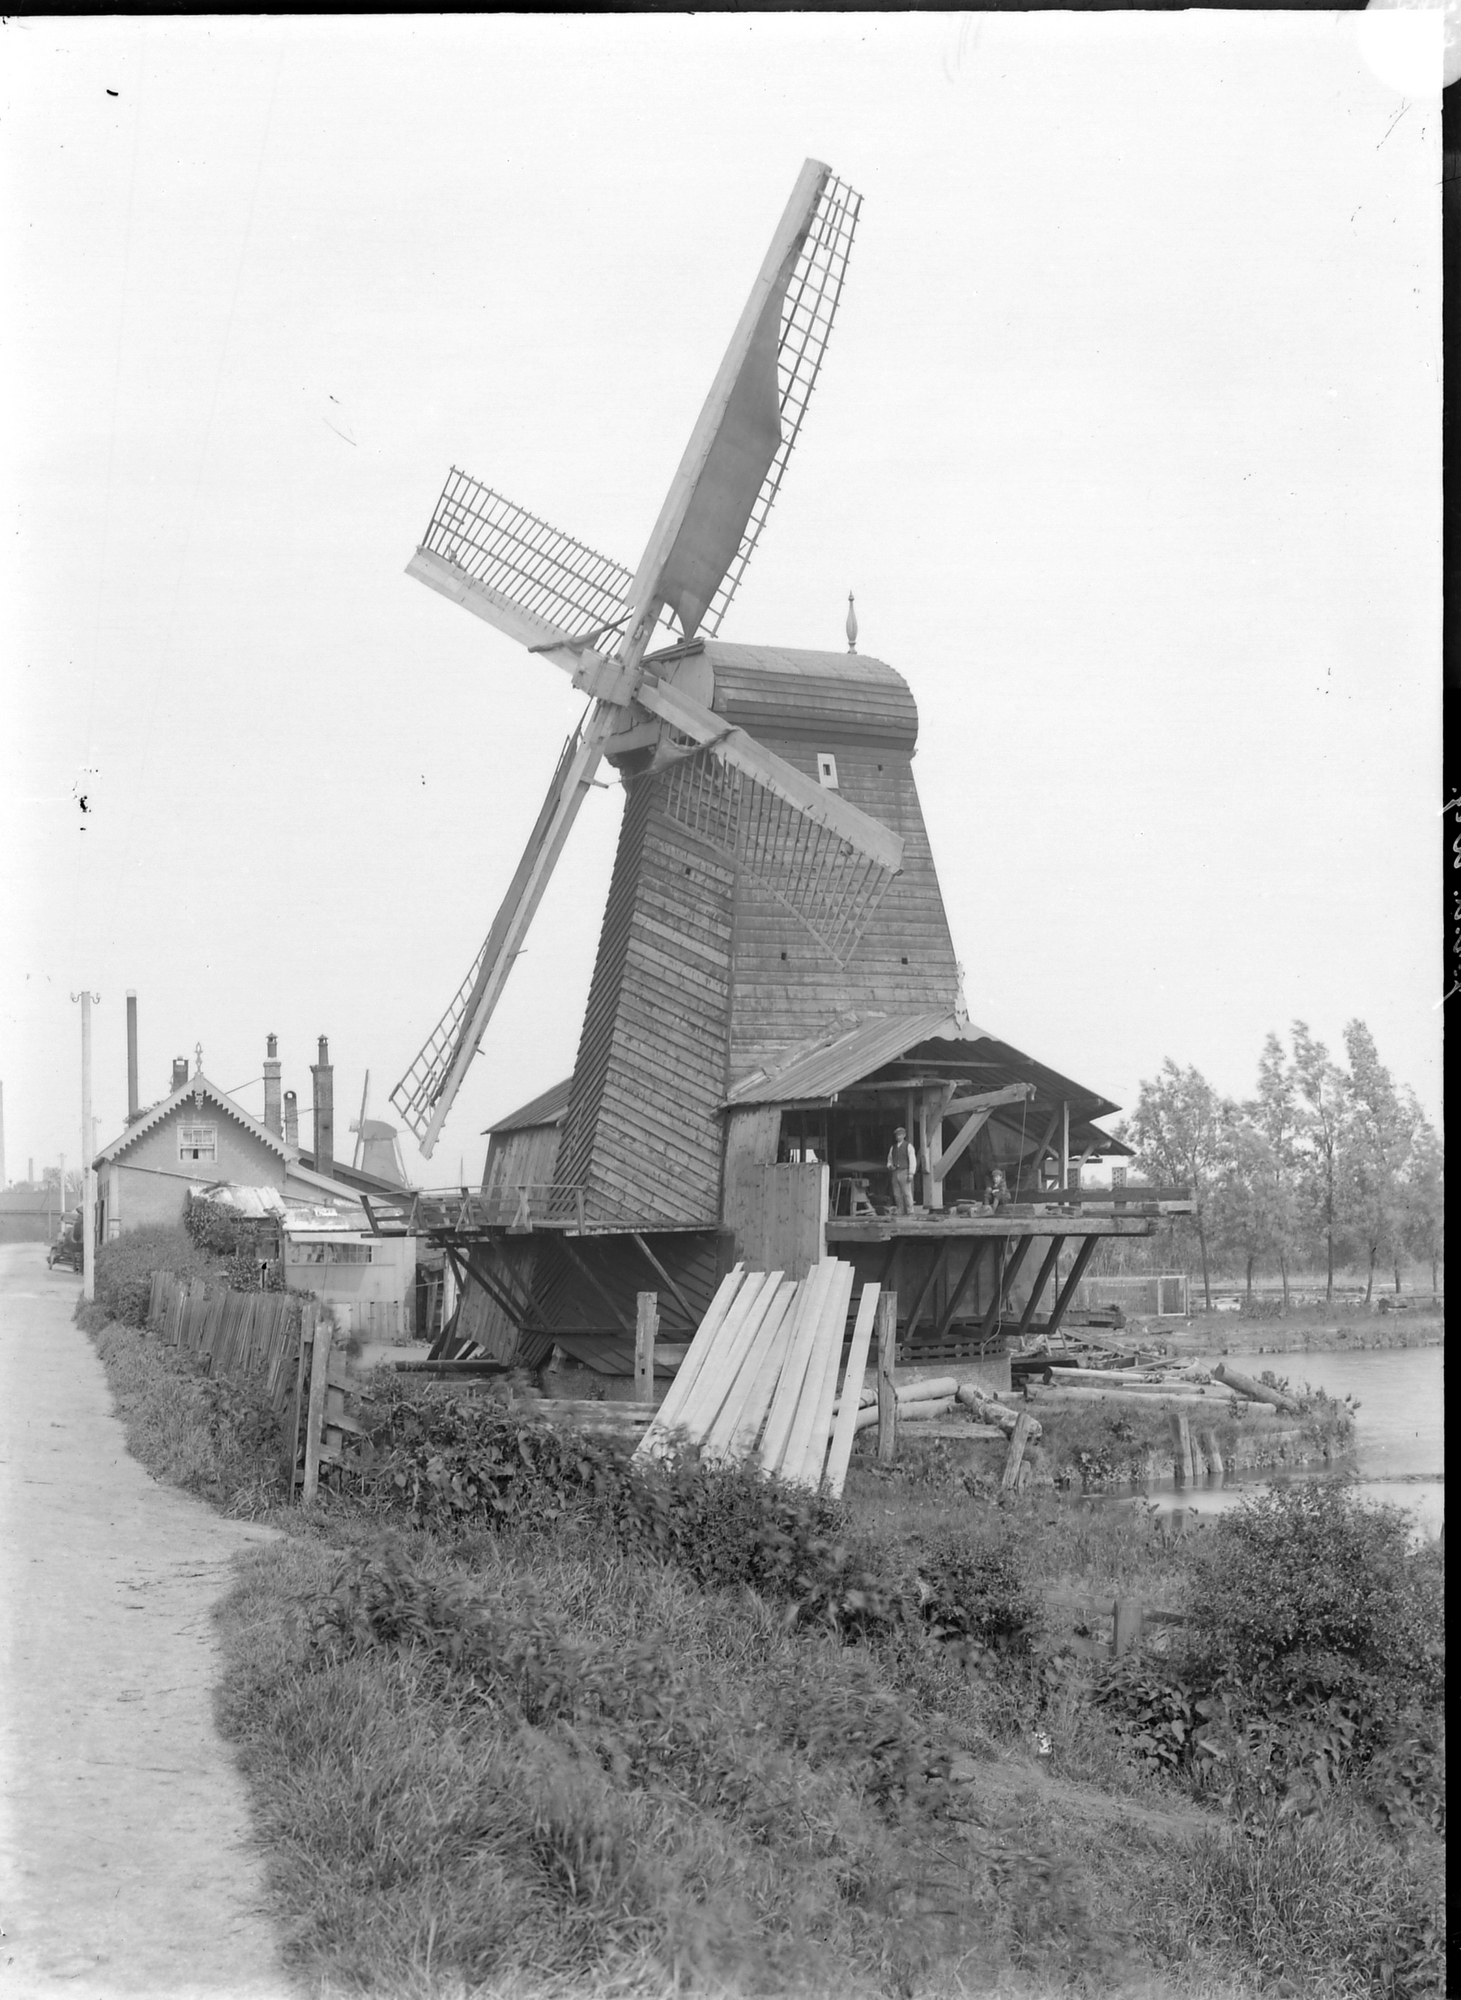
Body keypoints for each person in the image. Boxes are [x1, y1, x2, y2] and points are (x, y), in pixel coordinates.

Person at [886, 1125, 918, 1214]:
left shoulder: (908, 1146)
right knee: (896, 1194)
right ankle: (900, 1210)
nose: (898, 1137)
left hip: (905, 1171)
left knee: (907, 1193)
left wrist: (911, 1173)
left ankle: (910, 1211)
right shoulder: (893, 1148)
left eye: (900, 1135)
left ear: (904, 1135)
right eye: (897, 1135)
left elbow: (912, 1160)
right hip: (895, 1172)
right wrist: (890, 1166)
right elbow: (889, 1159)